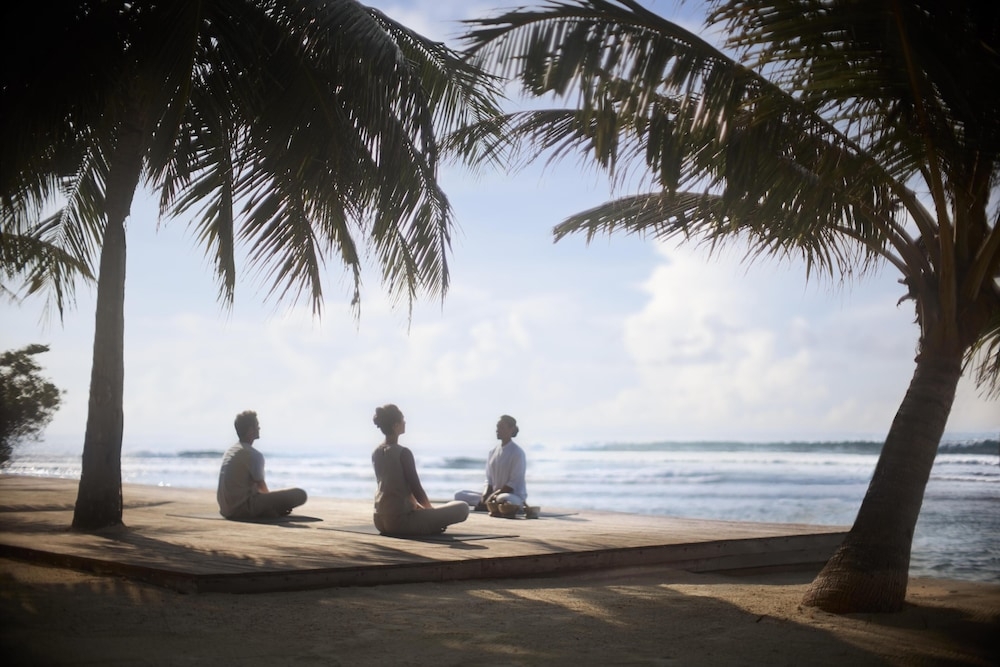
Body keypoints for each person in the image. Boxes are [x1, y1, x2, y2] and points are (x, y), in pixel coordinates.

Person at [371, 404, 469, 535]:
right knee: (462, 507)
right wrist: (430, 512)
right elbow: (415, 487)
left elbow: (392, 488)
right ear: (396, 426)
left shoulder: (376, 452)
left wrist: (419, 508)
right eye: (402, 420)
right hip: (400, 523)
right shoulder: (403, 453)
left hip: (379, 521)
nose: (405, 422)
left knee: (446, 507)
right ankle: (432, 525)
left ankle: (428, 523)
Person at [216, 410, 307, 520]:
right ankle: (269, 510)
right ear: (250, 430)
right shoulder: (253, 455)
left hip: (226, 510)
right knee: (300, 494)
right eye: (257, 426)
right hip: (242, 510)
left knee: (269, 498)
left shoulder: (230, 451)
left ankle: (268, 510)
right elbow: (262, 487)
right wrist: (275, 503)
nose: (259, 428)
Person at [454, 414, 528, 518]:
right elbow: (489, 480)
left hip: (512, 496)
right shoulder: (492, 452)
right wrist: (485, 495)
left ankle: (491, 504)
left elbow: (513, 483)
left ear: (511, 429)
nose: (497, 430)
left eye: (501, 427)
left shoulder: (517, 453)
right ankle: (488, 504)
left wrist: (491, 496)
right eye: (497, 427)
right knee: (459, 495)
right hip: (492, 495)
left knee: (502, 498)